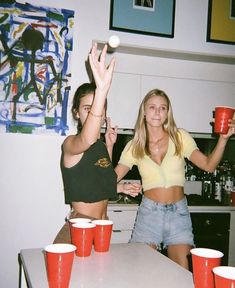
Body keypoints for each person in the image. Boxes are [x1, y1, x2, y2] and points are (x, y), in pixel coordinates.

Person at [115, 88, 235, 269]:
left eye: (163, 108)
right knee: (141, 268)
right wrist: (120, 186)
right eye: (152, 107)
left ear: (167, 113)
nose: (157, 112)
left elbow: (209, 165)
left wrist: (223, 139)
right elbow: (110, 179)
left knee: (182, 268)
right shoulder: (135, 145)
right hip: (149, 214)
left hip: (178, 214)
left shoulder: (180, 137)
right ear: (144, 112)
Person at [54, 43, 140, 243]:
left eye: (98, 109)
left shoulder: (100, 146)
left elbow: (104, 182)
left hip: (103, 225)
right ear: (76, 113)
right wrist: (101, 89)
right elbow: (87, 138)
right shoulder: (71, 144)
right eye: (87, 108)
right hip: (81, 225)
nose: (95, 113)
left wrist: (109, 147)